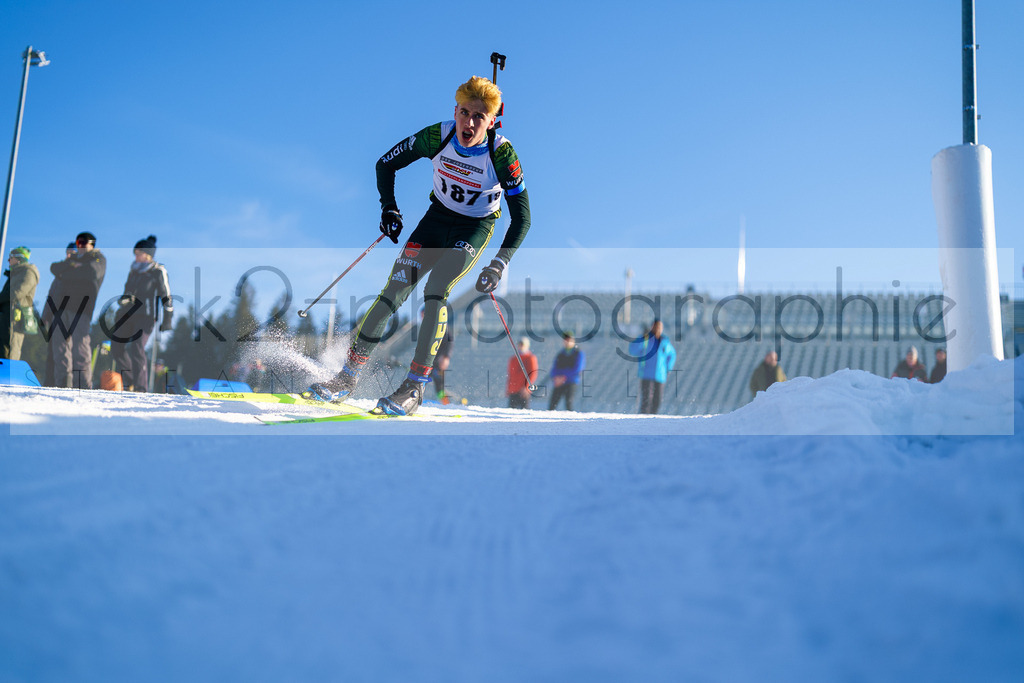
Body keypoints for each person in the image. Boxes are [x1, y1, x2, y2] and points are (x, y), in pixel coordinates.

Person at [303, 75, 531, 416]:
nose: (469, 123)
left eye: (479, 117)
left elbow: (522, 218)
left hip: (473, 228)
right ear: (454, 111)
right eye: (464, 112)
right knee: (392, 293)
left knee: (436, 290)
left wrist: (499, 263)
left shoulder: (502, 153)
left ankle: (414, 387)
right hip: (435, 220)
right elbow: (385, 163)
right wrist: (389, 207)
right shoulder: (437, 136)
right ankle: (346, 378)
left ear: (492, 121)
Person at [109, 235, 173, 392]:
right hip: (128, 315)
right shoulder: (133, 272)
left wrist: (168, 319)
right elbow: (126, 292)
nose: (136, 256)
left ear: (148, 254)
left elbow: (166, 295)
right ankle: (131, 380)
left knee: (137, 346)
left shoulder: (158, 271)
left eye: (139, 253)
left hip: (146, 316)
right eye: (135, 253)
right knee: (116, 347)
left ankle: (141, 387)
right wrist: (123, 301)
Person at [47, 232, 106, 388]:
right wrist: (73, 265)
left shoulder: (98, 258)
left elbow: (93, 272)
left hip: (81, 308)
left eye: (84, 243)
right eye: (78, 242)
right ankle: (63, 384)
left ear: (92, 244)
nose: (79, 246)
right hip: (61, 307)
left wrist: (69, 272)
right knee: (59, 348)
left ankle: (83, 386)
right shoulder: (73, 259)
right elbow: (54, 268)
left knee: (79, 348)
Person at [41, 242, 76, 386]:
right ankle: (49, 383)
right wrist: (45, 316)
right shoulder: (59, 275)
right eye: (67, 252)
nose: (68, 255)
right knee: (53, 351)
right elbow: (51, 296)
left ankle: (64, 383)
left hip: (68, 315)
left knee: (63, 350)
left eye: (72, 253)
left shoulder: (75, 272)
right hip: (55, 315)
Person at [629, 318, 677, 414]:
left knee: (657, 401)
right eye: (655, 327)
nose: (657, 329)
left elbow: (672, 355)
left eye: (659, 327)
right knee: (646, 400)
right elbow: (633, 350)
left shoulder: (665, 341)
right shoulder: (646, 339)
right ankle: (643, 418)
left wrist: (668, 368)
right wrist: (643, 338)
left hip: (660, 376)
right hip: (646, 374)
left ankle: (652, 419)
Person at [0, 246, 40, 360]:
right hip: (5, 316)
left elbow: (17, 293)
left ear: (19, 258)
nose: (8, 261)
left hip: (14, 318)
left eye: (10, 258)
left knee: (10, 348)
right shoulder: (15, 274)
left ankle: (9, 375)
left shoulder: (28, 272)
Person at [549, 331, 585, 411]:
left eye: (569, 340)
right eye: (565, 339)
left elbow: (577, 369)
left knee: (568, 403)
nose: (567, 342)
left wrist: (563, 377)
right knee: (552, 404)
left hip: (571, 382)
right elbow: (554, 368)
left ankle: (571, 422)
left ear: (573, 341)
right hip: (559, 382)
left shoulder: (578, 353)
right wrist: (556, 378)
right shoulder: (560, 354)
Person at [506, 337, 539, 409]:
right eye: (519, 344)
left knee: (524, 410)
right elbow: (510, 374)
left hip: (523, 390)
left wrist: (527, 387)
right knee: (511, 411)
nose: (521, 346)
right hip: (513, 389)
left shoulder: (531, 358)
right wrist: (508, 388)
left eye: (523, 344)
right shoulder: (513, 359)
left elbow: (533, 374)